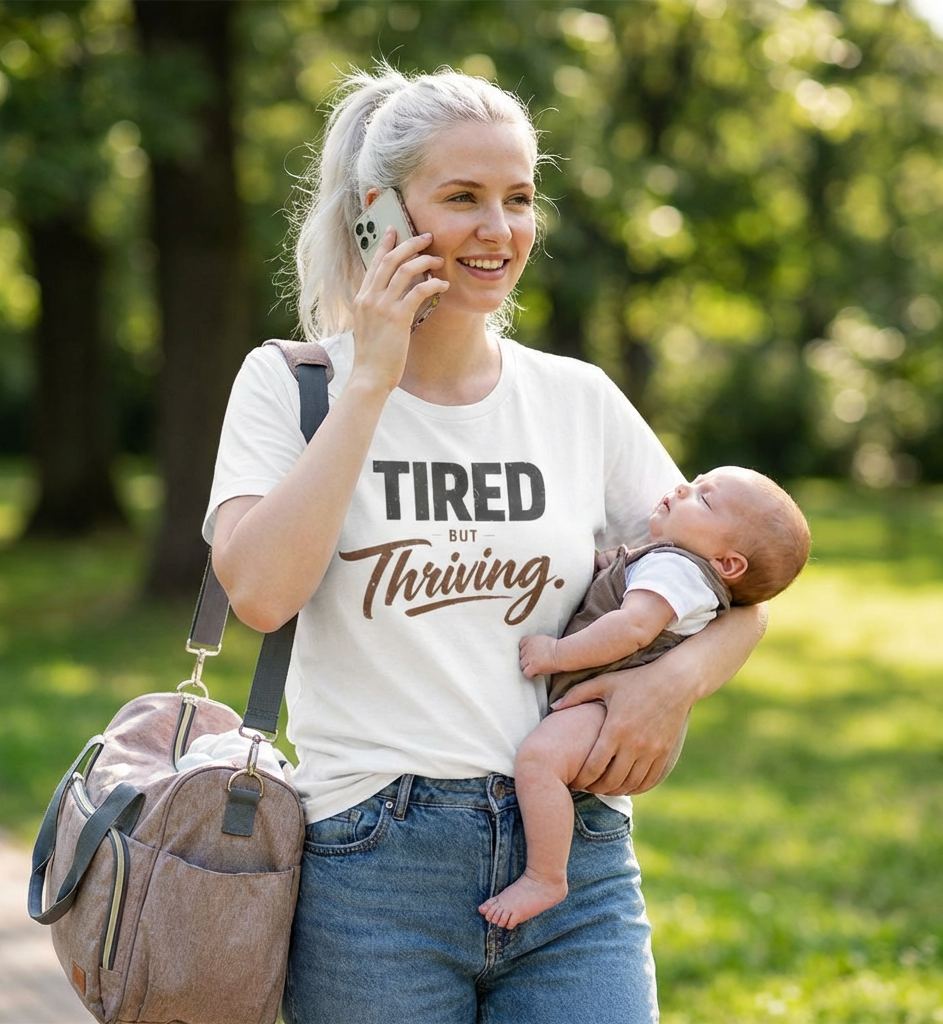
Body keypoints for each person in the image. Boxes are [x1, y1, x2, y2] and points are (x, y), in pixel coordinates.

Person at [206, 64, 765, 1024]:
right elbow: (260, 595)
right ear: (378, 211)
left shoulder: (576, 398)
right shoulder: (287, 386)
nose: (498, 231)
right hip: (370, 864)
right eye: (461, 197)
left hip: (574, 861)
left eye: (518, 199)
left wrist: (670, 686)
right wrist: (370, 380)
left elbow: (736, 591)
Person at [479, 467, 810, 930]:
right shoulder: (671, 561)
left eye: (704, 499)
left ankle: (545, 876)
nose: (681, 487)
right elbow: (617, 574)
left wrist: (556, 652)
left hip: (608, 706)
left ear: (728, 564)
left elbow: (631, 628)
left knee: (539, 761)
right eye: (695, 480)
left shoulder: (678, 573)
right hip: (604, 700)